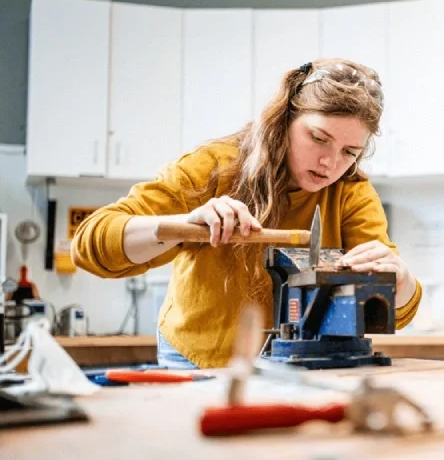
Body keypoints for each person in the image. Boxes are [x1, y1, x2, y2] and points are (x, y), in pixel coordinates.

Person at [71, 58, 422, 369]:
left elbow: (392, 308)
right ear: (284, 118)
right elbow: (90, 245)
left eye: (350, 151)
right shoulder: (213, 168)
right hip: (200, 360)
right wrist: (184, 225)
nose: (331, 163)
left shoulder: (350, 191)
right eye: (318, 138)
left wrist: (400, 280)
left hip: (304, 363)